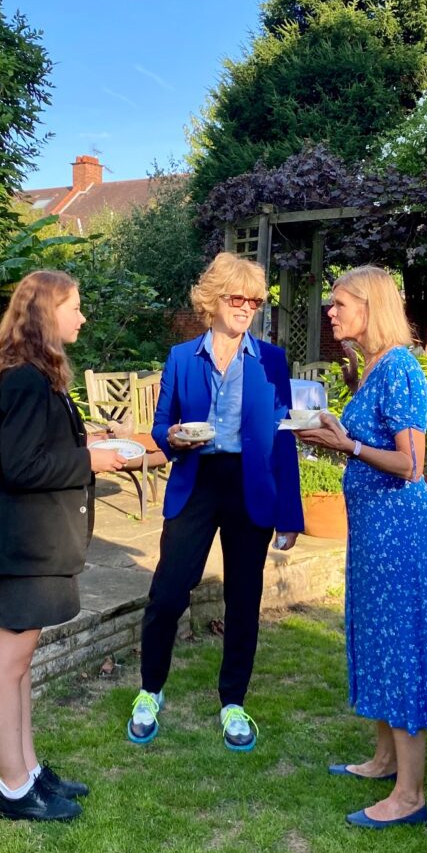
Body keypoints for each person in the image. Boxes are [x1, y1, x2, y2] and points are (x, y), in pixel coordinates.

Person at [296, 265, 427, 829]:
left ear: (371, 307)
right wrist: (343, 437)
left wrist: (348, 444)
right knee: (377, 637)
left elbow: (412, 466)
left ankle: (410, 796)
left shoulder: (400, 368)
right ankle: (385, 759)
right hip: (373, 533)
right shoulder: (371, 368)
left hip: (399, 533)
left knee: (400, 646)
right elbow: (371, 444)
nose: (331, 312)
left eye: (339, 303)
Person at [127, 252, 304, 751]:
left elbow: (285, 436)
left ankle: (233, 702)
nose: (247, 308)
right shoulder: (184, 358)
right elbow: (162, 424)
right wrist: (174, 438)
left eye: (254, 301)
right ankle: (150, 691)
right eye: (237, 298)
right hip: (197, 481)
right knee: (167, 594)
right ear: (212, 300)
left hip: (250, 486)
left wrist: (290, 512)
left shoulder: (270, 360)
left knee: (244, 600)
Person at [0, 270, 125, 822]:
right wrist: (90, 461)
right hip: (27, 543)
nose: (82, 317)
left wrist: (92, 442)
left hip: (37, 541)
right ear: (46, 314)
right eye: (74, 307)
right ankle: (14, 790)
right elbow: (22, 466)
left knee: (20, 664)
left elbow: (38, 446)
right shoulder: (25, 380)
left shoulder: (39, 374)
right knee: (4, 665)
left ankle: (30, 772)